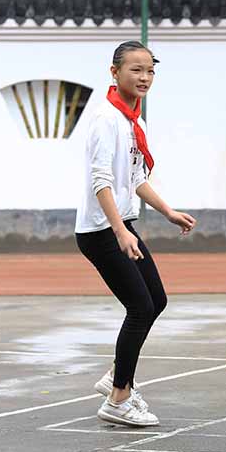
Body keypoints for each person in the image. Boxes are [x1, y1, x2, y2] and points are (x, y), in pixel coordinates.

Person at [75, 40, 196, 428]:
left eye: (150, 71)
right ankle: (118, 398)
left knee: (156, 300)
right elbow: (102, 181)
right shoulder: (106, 119)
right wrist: (119, 231)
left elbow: (136, 178)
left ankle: (117, 375)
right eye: (135, 70)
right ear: (114, 72)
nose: (144, 78)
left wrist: (168, 212)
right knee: (140, 307)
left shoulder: (134, 121)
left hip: (121, 225)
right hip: (100, 230)